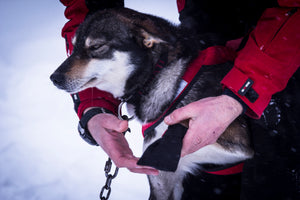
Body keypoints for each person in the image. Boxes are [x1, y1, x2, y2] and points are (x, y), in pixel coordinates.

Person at [59, 0, 300, 199]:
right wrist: (94, 105)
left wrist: (237, 95)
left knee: (275, 178)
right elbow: (92, 13)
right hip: (204, 27)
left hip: (285, 47)